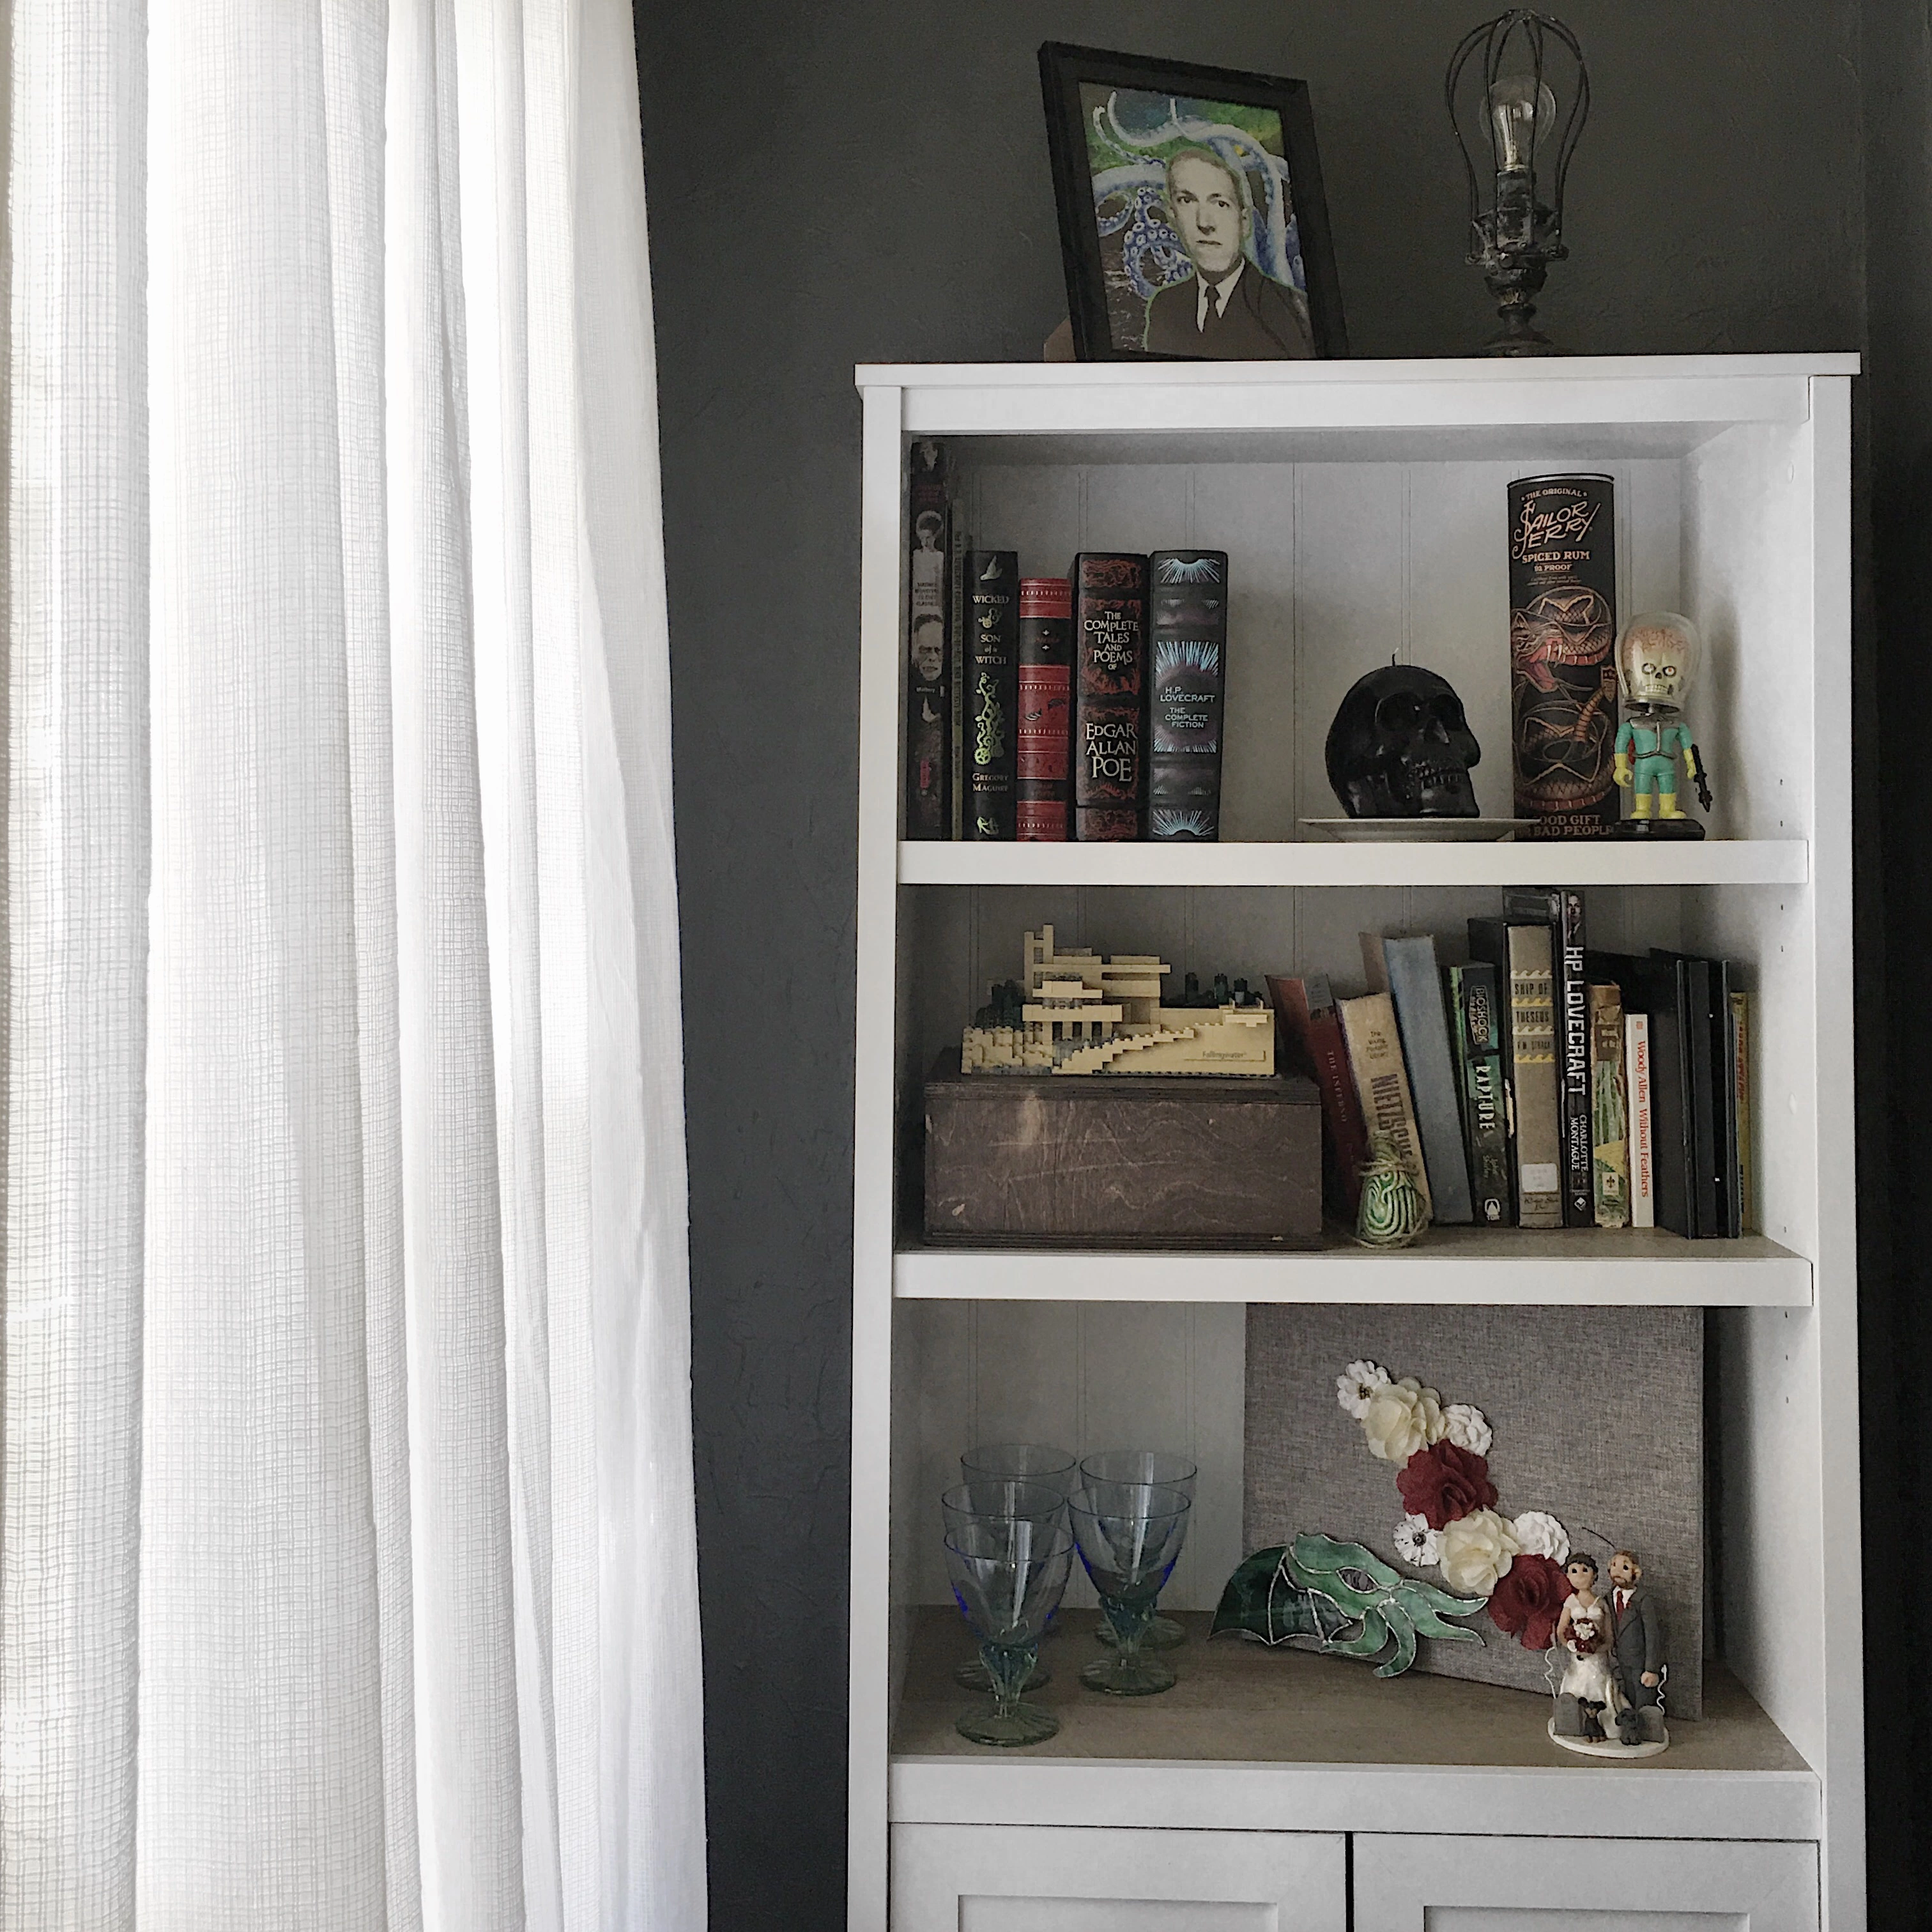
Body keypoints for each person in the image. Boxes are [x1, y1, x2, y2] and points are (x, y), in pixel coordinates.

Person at [1140, 148, 1314, 360]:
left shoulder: (1295, 311)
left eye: (1221, 204)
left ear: (1244, 223)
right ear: (1172, 216)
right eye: (1187, 201)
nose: (1204, 223)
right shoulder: (1164, 308)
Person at [1552, 1553, 1624, 1740]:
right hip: (1578, 1659)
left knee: (1600, 1685)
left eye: (1585, 1570)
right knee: (1577, 1685)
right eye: (1574, 1571)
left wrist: (1598, 1648)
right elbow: (1561, 1631)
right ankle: (1577, 1724)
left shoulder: (1601, 1604)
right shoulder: (1570, 1603)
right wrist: (1571, 1644)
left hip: (1597, 1657)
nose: (1580, 1576)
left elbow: (1609, 1636)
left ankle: (1608, 1726)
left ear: (1594, 1575)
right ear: (1567, 1576)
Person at [1604, 1549, 1665, 1743]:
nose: (1618, 1571)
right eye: (1614, 1566)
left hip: (1640, 1662)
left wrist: (1651, 1668)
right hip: (1620, 1660)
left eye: (1624, 1567)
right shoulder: (1609, 1597)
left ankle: (1645, 1733)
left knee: (1643, 1698)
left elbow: (1652, 1635)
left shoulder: (1642, 1600)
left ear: (1635, 1573)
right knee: (1626, 1697)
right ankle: (1629, 1732)